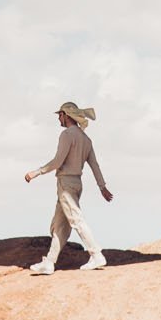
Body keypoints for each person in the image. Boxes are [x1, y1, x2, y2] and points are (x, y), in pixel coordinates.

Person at [23, 100, 113, 273]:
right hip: (77, 184)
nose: (59, 120)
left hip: (66, 184)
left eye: (60, 116)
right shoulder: (86, 139)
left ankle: (96, 254)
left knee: (76, 220)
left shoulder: (67, 135)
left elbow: (58, 161)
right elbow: (95, 165)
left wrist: (36, 172)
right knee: (58, 225)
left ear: (66, 116)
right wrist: (102, 187)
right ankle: (49, 262)